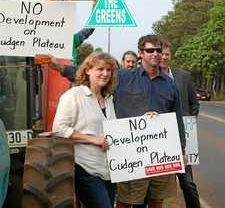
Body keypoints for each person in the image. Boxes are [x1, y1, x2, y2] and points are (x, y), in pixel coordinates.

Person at [114, 34, 186, 208]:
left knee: (156, 200)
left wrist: (182, 148)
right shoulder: (122, 78)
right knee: (126, 201)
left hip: (162, 153)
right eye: (150, 50)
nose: (155, 53)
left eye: (158, 50)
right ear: (140, 53)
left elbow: (177, 117)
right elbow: (94, 74)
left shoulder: (170, 84)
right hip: (131, 152)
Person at [52, 51, 118, 208]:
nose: (105, 74)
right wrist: (92, 139)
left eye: (109, 70)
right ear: (88, 70)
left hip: (107, 170)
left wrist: (147, 118)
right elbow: (59, 129)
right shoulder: (74, 95)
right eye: (100, 69)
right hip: (84, 168)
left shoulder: (108, 99)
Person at [160, 40, 200, 208]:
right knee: (156, 188)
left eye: (166, 54)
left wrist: (188, 120)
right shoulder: (146, 77)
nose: (163, 57)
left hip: (183, 139)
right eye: (160, 53)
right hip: (157, 138)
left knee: (187, 183)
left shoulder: (183, 76)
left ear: (171, 56)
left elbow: (194, 104)